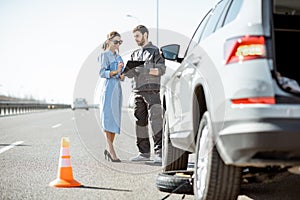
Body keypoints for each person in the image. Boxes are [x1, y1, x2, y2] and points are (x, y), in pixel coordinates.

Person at [125, 25, 166, 164]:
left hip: (152, 91)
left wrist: (144, 68)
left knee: (156, 122)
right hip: (138, 92)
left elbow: (160, 70)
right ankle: (144, 153)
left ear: (145, 35)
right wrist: (129, 71)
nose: (135, 39)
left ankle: (159, 153)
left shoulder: (155, 51)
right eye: (134, 37)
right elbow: (130, 74)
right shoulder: (134, 54)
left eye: (137, 36)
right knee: (140, 123)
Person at [98, 31, 124, 162]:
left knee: (114, 119)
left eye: (120, 42)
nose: (118, 44)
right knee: (108, 118)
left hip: (117, 90)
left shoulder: (119, 58)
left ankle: (109, 148)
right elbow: (103, 73)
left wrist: (122, 74)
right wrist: (116, 72)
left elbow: (121, 75)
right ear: (109, 41)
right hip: (108, 89)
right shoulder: (104, 55)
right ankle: (111, 149)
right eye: (115, 42)